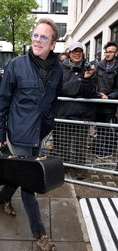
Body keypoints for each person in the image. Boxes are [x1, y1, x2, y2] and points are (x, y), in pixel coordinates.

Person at [0, 18, 63, 251]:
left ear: (52, 44)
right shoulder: (16, 65)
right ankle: (39, 233)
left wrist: (49, 126)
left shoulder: (58, 70)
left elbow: (52, 102)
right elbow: (2, 101)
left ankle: (3, 198)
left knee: (20, 172)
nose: (37, 40)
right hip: (20, 133)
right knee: (30, 180)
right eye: (35, 35)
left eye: (44, 37)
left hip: (40, 134)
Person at [54, 42, 97, 179]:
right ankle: (63, 166)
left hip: (81, 115)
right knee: (63, 144)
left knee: (80, 145)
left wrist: (85, 80)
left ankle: (79, 169)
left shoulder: (89, 69)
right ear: (69, 53)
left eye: (79, 51)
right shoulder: (61, 68)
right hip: (64, 114)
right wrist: (79, 83)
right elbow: (60, 89)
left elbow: (90, 92)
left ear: (83, 53)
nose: (77, 53)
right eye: (74, 51)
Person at [91, 41, 118, 159]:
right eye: (106, 52)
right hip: (98, 103)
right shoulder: (99, 65)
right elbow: (93, 81)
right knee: (100, 128)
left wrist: (109, 97)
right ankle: (100, 149)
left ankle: (108, 151)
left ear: (116, 53)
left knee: (109, 129)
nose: (108, 54)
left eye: (111, 52)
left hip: (110, 105)